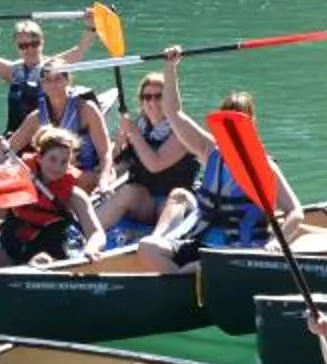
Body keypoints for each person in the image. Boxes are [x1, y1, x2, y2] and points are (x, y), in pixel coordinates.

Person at [128, 88, 303, 273]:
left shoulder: (265, 167)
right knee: (148, 248)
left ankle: (189, 278)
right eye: (227, 124)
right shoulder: (211, 153)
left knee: (199, 268)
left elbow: (295, 212)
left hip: (239, 251)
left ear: (251, 125)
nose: (231, 130)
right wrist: (171, 65)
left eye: (237, 124)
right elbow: (173, 112)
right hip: (202, 245)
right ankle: (187, 282)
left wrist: (277, 243)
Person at [0, 128, 106, 281]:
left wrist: (92, 247)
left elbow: (96, 233)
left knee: (41, 260)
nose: (57, 167)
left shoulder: (74, 196)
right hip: (14, 248)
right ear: (39, 158)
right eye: (52, 159)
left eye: (64, 162)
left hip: (48, 255)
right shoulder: (18, 182)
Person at [94, 51, 202, 239]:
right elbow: (121, 165)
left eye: (159, 96)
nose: (152, 102)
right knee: (128, 191)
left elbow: (155, 164)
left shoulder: (181, 131)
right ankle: (89, 234)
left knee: (178, 195)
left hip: (173, 201)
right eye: (147, 97)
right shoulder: (138, 127)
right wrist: (107, 178)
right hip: (145, 202)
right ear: (141, 101)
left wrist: (134, 135)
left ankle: (155, 243)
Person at [0, 15, 95, 149]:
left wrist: (91, 27)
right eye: (23, 46)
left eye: (34, 44)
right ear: (17, 47)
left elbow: (80, 50)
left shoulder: (54, 68)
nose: (30, 49)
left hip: (46, 141)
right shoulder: (13, 71)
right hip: (14, 139)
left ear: (42, 42)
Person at [6, 55, 111, 187]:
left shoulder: (86, 110)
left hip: (82, 175)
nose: (53, 84)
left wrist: (104, 180)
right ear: (42, 85)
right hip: (51, 175)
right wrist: (2, 147)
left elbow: (105, 153)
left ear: (67, 81)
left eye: (58, 79)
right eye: (47, 80)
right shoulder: (36, 117)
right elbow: (9, 148)